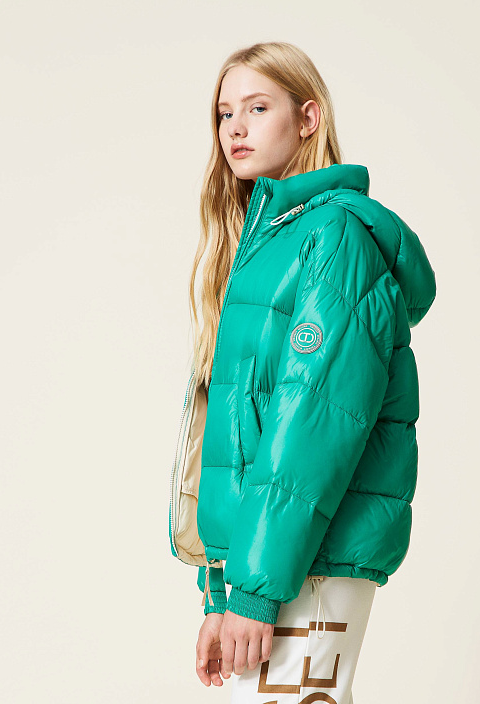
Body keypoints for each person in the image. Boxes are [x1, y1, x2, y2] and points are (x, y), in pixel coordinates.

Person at [186, 41, 437, 703]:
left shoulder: (336, 239)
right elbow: (238, 433)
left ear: (307, 118)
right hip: (278, 557)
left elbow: (310, 423)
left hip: (310, 556)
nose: (234, 128)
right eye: (225, 113)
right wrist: (222, 592)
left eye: (257, 107)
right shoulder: (264, 245)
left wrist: (256, 591)